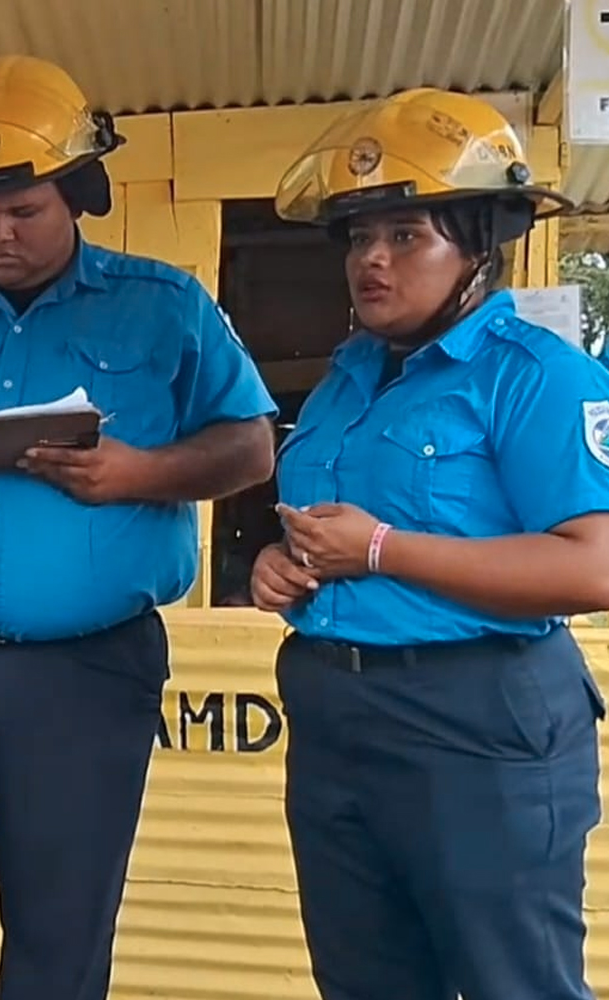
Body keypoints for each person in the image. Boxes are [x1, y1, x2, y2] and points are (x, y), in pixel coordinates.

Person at [0, 55, 278, 1000]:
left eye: (24, 210)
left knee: (59, 935)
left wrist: (142, 474)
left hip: (84, 675)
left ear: (79, 196)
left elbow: (249, 448)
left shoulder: (164, 310)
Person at [252, 87, 609, 1000]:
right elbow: (327, 533)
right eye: (360, 237)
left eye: (406, 236)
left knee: (510, 982)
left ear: (478, 244)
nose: (371, 260)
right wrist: (288, 569)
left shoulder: (538, 378)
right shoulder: (345, 381)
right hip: (338, 720)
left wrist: (380, 552)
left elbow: (593, 563)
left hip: (480, 722)